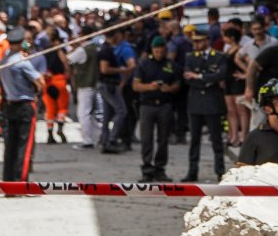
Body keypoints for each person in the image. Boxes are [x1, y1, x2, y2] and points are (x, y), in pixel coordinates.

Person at [182, 32, 228, 182]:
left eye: (199, 41)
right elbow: (188, 78)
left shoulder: (219, 56)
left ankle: (220, 171)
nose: (196, 44)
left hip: (212, 102)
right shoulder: (190, 57)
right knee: (194, 140)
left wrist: (200, 76)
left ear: (207, 40)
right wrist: (208, 80)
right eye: (195, 42)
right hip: (196, 103)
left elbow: (221, 75)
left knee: (216, 140)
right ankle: (192, 171)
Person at [133, 37, 180, 182]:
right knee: (146, 139)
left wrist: (169, 88)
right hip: (147, 105)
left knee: (163, 139)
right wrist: (149, 87)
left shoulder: (171, 64)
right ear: (152, 50)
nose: (159, 53)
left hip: (165, 105)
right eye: (156, 51)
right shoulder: (144, 64)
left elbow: (178, 84)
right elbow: (135, 85)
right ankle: (147, 169)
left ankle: (160, 169)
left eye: (161, 51)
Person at [0, 28, 42, 182]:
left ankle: (8, 181)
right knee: (25, 146)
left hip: (10, 104)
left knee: (11, 146)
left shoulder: (4, 61)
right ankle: (21, 182)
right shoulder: (22, 62)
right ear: (21, 43)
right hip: (25, 106)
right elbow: (40, 82)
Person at [97, 27, 131, 154]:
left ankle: (105, 139)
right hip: (109, 85)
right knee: (121, 111)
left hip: (106, 84)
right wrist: (122, 70)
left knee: (107, 114)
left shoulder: (106, 49)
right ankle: (111, 139)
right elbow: (104, 69)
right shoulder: (106, 51)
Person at [70, 31, 101, 149]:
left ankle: (87, 140)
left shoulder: (82, 50)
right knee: (90, 114)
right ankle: (99, 136)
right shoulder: (95, 48)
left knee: (83, 114)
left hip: (85, 85)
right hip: (94, 84)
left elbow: (69, 60)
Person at [40, 27, 70, 144]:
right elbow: (66, 63)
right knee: (62, 108)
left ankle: (50, 134)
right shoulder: (61, 49)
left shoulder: (45, 50)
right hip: (59, 81)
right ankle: (60, 129)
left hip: (48, 82)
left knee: (50, 109)